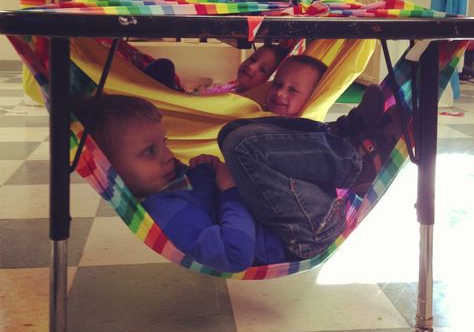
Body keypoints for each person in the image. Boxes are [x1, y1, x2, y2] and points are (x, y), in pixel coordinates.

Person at [74, 86, 400, 272]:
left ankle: (340, 138)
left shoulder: (170, 185)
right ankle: (356, 161)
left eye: (165, 143)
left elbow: (204, 201)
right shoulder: (165, 213)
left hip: (291, 212)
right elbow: (234, 254)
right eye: (149, 152)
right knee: (241, 146)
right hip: (302, 235)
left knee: (231, 133)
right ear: (109, 169)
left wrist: (201, 172)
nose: (167, 156)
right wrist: (228, 191)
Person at [143, 44, 290, 94]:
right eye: (252, 59)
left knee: (163, 65)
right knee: (163, 65)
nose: (251, 67)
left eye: (262, 70)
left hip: (183, 107)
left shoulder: (246, 102)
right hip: (185, 98)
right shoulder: (235, 86)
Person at [263, 54, 328, 116]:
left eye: (293, 90)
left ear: (313, 98)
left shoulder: (300, 127)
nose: (279, 92)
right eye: (277, 84)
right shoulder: (256, 109)